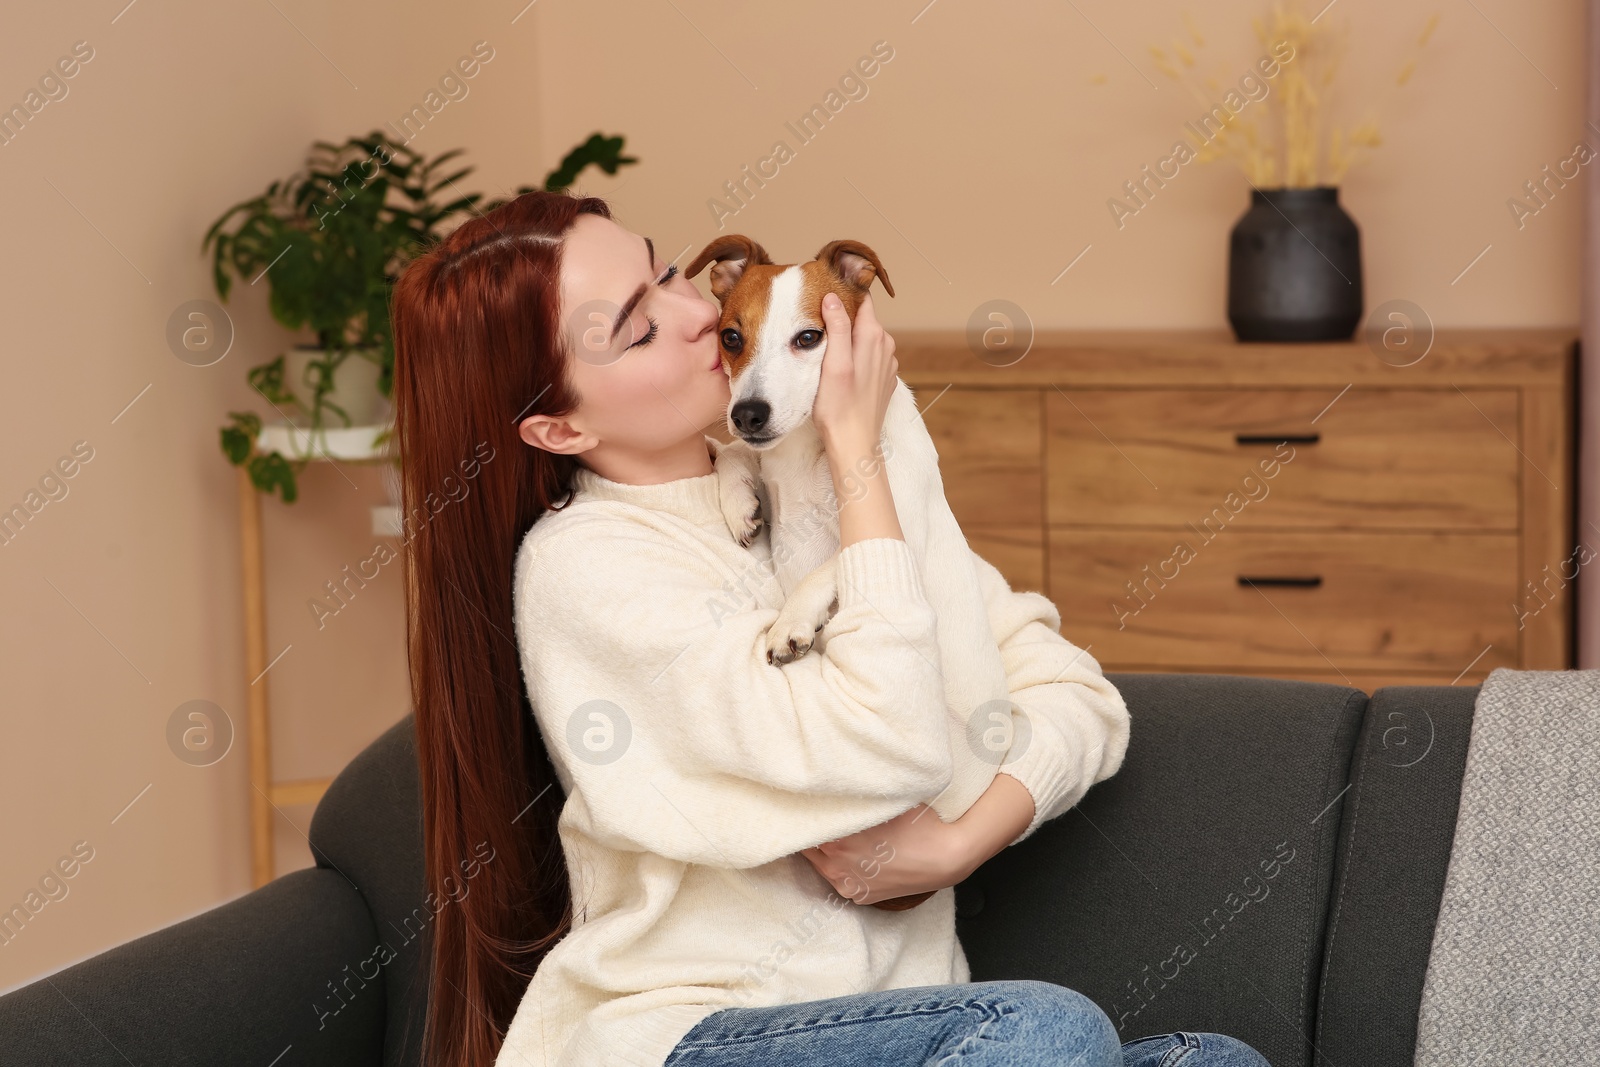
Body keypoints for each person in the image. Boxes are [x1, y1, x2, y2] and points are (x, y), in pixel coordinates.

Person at [389, 189, 1271, 1067]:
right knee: (1047, 1033)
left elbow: (1078, 693)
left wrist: (956, 846)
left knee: (1218, 1062)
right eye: (639, 327)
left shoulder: (819, 488)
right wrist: (859, 455)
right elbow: (897, 744)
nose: (697, 319)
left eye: (665, 273)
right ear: (558, 424)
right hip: (686, 1032)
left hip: (915, 1028)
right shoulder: (587, 569)